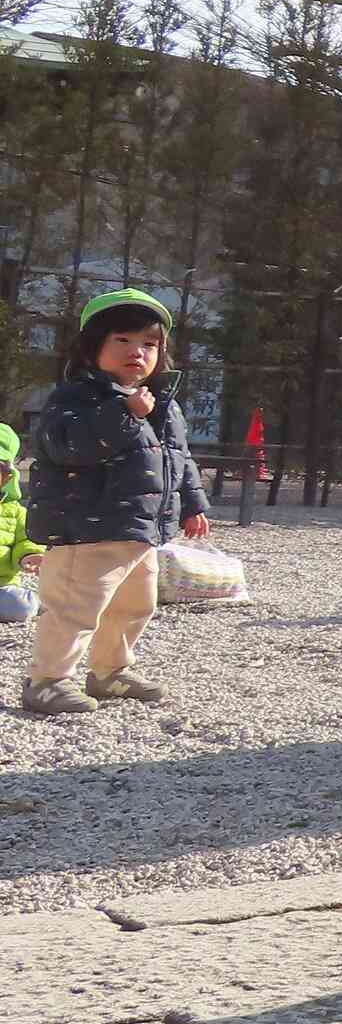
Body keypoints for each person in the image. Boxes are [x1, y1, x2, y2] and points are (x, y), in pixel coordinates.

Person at [19, 291, 212, 714]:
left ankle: (109, 671)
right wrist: (125, 414)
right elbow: (65, 445)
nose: (137, 352)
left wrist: (193, 502)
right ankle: (47, 679)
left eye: (149, 344)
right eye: (122, 341)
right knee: (75, 607)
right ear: (93, 349)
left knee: (133, 606)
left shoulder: (163, 403)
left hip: (139, 530)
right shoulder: (76, 398)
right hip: (84, 530)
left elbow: (179, 457)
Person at [0, 425, 41, 625]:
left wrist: (28, 555)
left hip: (2, 584)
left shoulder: (15, 511)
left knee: (21, 606)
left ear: (7, 477)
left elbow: (25, 539)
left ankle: (42, 602)